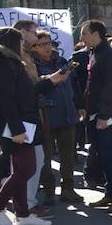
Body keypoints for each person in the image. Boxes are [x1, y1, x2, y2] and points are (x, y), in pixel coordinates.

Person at [0, 27, 68, 225]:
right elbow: (5, 101)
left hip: (20, 124)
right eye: (20, 42)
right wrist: (17, 129)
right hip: (16, 126)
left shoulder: (10, 63)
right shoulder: (4, 64)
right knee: (27, 168)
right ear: (11, 43)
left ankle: (22, 214)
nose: (23, 46)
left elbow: (26, 93)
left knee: (21, 169)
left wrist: (51, 81)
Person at [79, 21, 112, 213]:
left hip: (107, 115)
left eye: (84, 33)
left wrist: (103, 115)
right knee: (103, 155)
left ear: (96, 34)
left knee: (111, 156)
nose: (81, 38)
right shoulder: (95, 53)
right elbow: (92, 85)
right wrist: (85, 108)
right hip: (97, 114)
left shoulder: (109, 56)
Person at [31, 30, 84, 204]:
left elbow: (74, 86)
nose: (47, 47)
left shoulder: (62, 61)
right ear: (34, 47)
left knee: (68, 156)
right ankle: (49, 191)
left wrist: (80, 105)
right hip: (45, 117)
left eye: (49, 43)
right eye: (42, 44)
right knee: (45, 158)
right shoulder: (32, 66)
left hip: (67, 114)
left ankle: (68, 189)